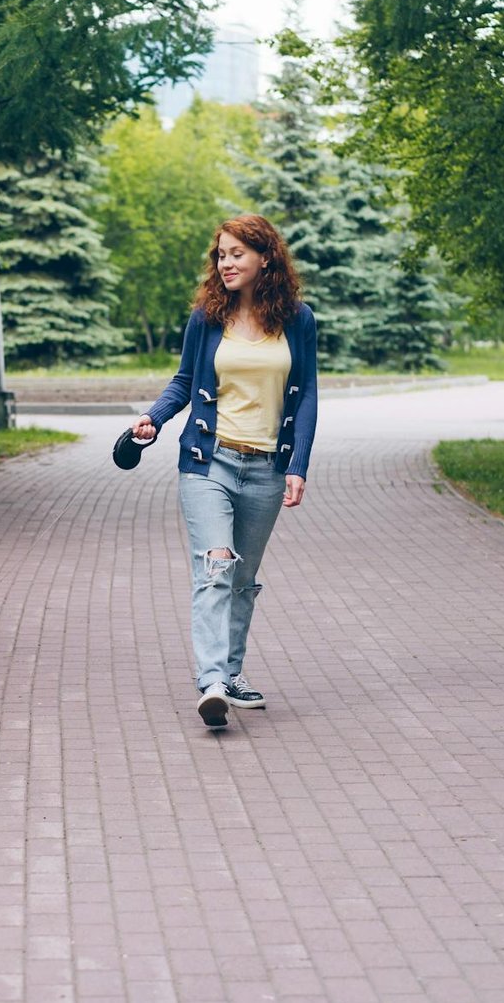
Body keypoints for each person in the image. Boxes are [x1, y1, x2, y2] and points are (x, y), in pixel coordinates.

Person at [132, 214, 318, 729]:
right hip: (207, 460)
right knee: (215, 567)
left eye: (237, 253)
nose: (227, 263)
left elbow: (307, 398)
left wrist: (298, 463)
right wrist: (154, 418)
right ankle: (212, 682)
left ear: (265, 257)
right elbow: (184, 381)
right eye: (221, 255)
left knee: (242, 578)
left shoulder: (298, 319)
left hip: (266, 469)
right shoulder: (207, 316)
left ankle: (232, 674)